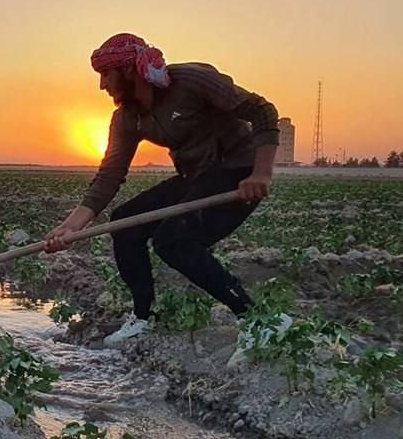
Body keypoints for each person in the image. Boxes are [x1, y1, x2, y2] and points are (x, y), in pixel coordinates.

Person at [44, 33, 279, 336]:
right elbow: (109, 175)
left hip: (238, 171)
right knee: (124, 223)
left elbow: (262, 111)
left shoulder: (194, 81)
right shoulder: (127, 118)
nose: (102, 85)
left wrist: (260, 174)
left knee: (174, 241)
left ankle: (256, 320)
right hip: (195, 176)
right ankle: (144, 317)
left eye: (106, 75)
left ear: (129, 71)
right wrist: (70, 227)